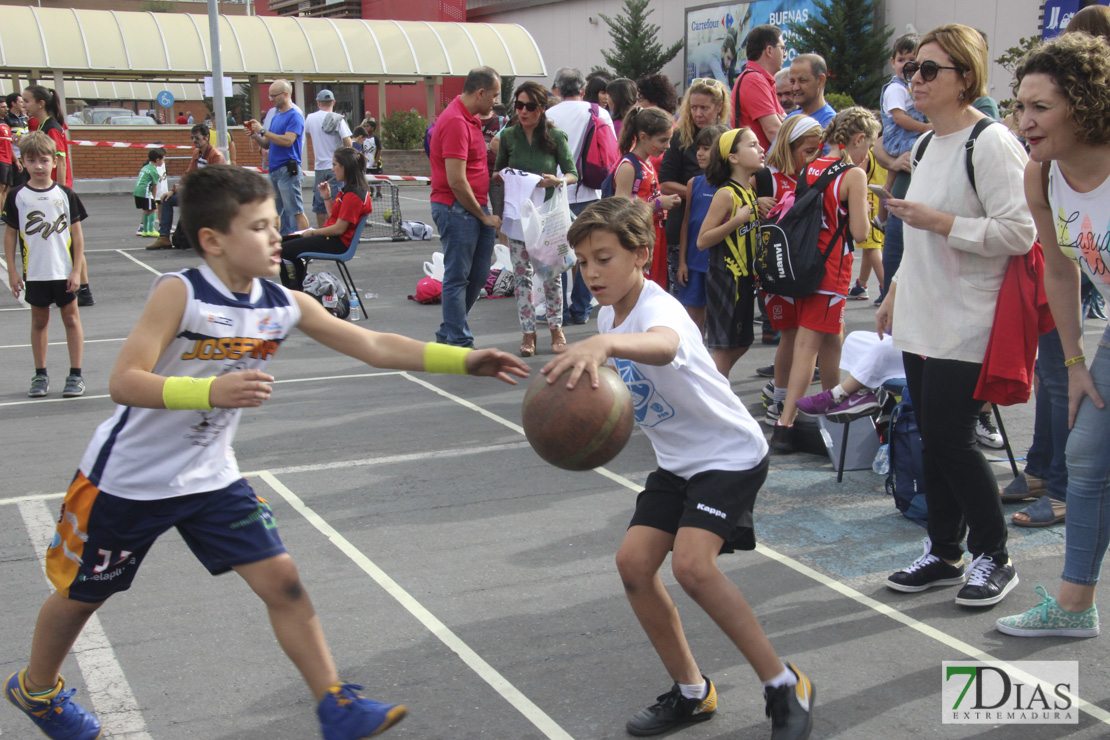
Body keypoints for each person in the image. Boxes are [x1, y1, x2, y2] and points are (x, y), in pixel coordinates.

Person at [1, 163, 529, 740]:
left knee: (284, 581)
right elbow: (124, 381)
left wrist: (464, 359)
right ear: (214, 240)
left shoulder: (284, 303)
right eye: (259, 227)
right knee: (81, 597)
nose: (277, 236)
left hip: (211, 478)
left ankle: (335, 703)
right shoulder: (180, 293)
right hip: (129, 480)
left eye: (275, 224)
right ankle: (37, 689)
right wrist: (207, 390)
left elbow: (374, 344)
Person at [544, 196, 815, 740]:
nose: (592, 272)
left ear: (641, 253)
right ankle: (693, 692)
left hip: (730, 455)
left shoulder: (657, 310)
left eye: (604, 258)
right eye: (583, 262)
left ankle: (785, 685)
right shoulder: (606, 313)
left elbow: (663, 347)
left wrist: (603, 343)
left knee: (693, 566)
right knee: (633, 565)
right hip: (678, 462)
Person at [877, 24, 1035, 607]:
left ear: (964, 78)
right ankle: (944, 550)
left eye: (928, 70)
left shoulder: (990, 143)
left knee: (950, 437)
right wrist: (894, 288)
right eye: (911, 69)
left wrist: (942, 223)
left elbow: (1020, 232)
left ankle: (994, 555)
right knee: (934, 436)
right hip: (922, 315)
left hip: (969, 318)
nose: (913, 79)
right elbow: (917, 241)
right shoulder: (924, 145)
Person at [994, 31, 1110, 638]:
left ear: (1086, 103)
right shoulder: (1041, 176)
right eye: (1020, 106)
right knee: (1086, 456)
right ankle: (1073, 606)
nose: (1024, 121)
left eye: (1041, 107)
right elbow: (1060, 270)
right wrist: (1074, 360)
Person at [769, 107, 876, 454]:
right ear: (858, 140)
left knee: (833, 339)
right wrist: (870, 211)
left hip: (805, 262)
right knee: (807, 348)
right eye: (868, 146)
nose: (868, 155)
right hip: (832, 269)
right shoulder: (853, 175)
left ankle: (836, 406)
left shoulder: (811, 166)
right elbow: (860, 233)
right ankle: (784, 426)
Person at [494, 81, 578, 356]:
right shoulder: (507, 136)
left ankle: (556, 328)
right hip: (517, 219)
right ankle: (528, 334)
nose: (523, 111)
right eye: (518, 105)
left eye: (529, 106)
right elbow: (497, 174)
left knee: (551, 275)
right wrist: (506, 177)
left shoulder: (556, 137)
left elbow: (572, 173)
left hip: (546, 219)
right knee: (522, 279)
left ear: (542, 109)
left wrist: (558, 180)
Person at [2, 131, 87, 399]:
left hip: (64, 272)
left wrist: (77, 271)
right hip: (35, 273)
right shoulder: (17, 195)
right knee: (39, 322)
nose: (38, 166)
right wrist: (13, 271)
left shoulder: (65, 194)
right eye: (31, 160)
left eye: (43, 159)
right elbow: (11, 234)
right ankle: (40, 374)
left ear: (53, 161)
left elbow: (77, 235)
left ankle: (75, 375)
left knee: (71, 319)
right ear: (23, 163)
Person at [754, 116, 826, 425]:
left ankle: (780, 392)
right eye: (807, 150)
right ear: (789, 145)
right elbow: (731, 195)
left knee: (808, 338)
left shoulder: (817, 174)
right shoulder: (766, 176)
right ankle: (780, 399)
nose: (812, 157)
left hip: (805, 269)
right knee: (790, 334)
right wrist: (754, 201)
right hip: (774, 270)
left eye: (816, 150)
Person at [429, 66, 503, 348]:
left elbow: (467, 173)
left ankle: (450, 332)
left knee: (478, 274)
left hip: (470, 207)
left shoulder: (468, 118)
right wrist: (482, 215)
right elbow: (457, 181)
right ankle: (458, 340)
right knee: (458, 275)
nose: (495, 102)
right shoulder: (457, 122)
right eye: (494, 95)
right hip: (456, 208)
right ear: (480, 92)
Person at [547, 66, 617, 325]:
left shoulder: (548, 114)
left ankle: (559, 310)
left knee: (559, 254)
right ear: (584, 89)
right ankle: (581, 308)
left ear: (557, 88)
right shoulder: (598, 112)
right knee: (588, 254)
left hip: (555, 191)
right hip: (589, 190)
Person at [695, 127, 764, 380]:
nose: (760, 150)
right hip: (727, 278)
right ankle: (713, 393)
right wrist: (736, 222)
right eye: (752, 145)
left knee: (743, 342)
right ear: (733, 157)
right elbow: (702, 241)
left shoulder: (749, 190)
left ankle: (712, 382)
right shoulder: (726, 194)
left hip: (746, 278)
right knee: (724, 348)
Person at [660, 79, 731, 296]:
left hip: (721, 231)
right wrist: (697, 191)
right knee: (685, 299)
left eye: (704, 108)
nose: (698, 113)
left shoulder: (731, 137)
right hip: (685, 226)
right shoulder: (680, 137)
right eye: (693, 107)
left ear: (719, 107)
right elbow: (665, 183)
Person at [279, 147, 372, 291]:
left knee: (284, 250)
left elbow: (339, 229)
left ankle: (295, 292)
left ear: (345, 166)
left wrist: (313, 232)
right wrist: (327, 197)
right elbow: (334, 219)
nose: (332, 169)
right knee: (284, 242)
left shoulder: (353, 195)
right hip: (334, 239)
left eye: (335, 164)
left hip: (338, 243)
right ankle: (301, 286)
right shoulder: (348, 191)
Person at [613, 107, 682, 290]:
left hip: (654, 236)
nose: (667, 146)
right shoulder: (629, 166)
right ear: (643, 137)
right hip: (638, 238)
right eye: (662, 140)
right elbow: (620, 210)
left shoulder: (647, 162)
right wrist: (657, 204)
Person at [676, 124, 728, 331]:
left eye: (706, 148)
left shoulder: (733, 186)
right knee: (694, 319)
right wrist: (682, 262)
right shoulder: (694, 183)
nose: (700, 153)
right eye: (698, 148)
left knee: (719, 320)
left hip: (721, 264)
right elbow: (687, 224)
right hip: (694, 263)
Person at [148, 123, 226, 250]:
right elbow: (188, 174)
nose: (194, 141)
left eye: (197, 138)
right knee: (166, 200)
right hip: (195, 194)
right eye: (192, 138)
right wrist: (173, 190)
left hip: (209, 197)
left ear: (206, 137)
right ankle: (164, 238)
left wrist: (192, 189)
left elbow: (215, 183)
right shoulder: (197, 153)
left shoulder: (216, 156)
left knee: (182, 241)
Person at [247, 79, 309, 235]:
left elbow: (288, 141)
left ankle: (307, 246)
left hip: (287, 171)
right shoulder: (276, 117)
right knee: (274, 213)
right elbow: (268, 143)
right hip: (274, 170)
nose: (271, 99)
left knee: (296, 211)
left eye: (274, 95)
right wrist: (256, 136)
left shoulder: (295, 116)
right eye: (270, 96)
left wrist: (262, 131)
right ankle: (277, 246)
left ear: (286, 94)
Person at [730, 24, 786, 149]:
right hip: (758, 166)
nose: (785, 54)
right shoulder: (754, 80)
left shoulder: (760, 79)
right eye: (782, 48)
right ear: (769, 50)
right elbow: (774, 130)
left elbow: (785, 122)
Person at [305, 89, 354, 228]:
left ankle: (322, 231)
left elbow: (308, 135)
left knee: (320, 204)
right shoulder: (337, 119)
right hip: (336, 167)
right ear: (333, 102)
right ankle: (335, 231)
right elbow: (348, 142)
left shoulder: (310, 118)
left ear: (318, 102)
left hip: (319, 167)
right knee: (336, 203)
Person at [846, 141, 888, 301]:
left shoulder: (868, 155)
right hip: (883, 201)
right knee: (868, 247)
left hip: (869, 202)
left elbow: (859, 176)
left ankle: (886, 288)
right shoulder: (889, 152)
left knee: (872, 247)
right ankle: (861, 284)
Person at [786, 54, 836, 130]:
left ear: (820, 80)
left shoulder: (830, 124)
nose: (795, 87)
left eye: (802, 81)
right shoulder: (790, 120)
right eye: (792, 81)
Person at [133, 148, 165, 237]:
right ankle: (151, 230)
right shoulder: (154, 171)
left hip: (138, 191)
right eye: (163, 159)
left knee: (146, 210)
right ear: (157, 159)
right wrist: (153, 199)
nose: (163, 161)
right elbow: (154, 187)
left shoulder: (146, 167)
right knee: (153, 210)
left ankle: (145, 230)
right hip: (145, 192)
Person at [0, 98, 13, 209]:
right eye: (3, 107)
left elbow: (9, 144)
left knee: (7, 187)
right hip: (1, 159)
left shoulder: (6, 123)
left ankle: (4, 212)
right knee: (1, 186)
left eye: (6, 106)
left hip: (8, 160)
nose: (6, 109)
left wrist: (15, 161)